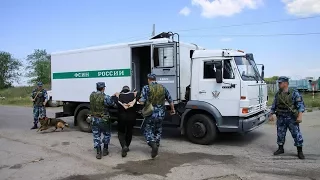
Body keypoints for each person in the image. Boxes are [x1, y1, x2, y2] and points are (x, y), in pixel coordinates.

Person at [138, 73, 175, 158]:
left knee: (147, 129)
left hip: (151, 113)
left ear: (148, 79)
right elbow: (170, 99)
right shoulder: (162, 87)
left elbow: (142, 101)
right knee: (158, 129)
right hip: (161, 113)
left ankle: (153, 144)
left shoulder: (146, 88)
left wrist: (140, 100)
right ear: (155, 79)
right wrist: (173, 109)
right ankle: (156, 146)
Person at [269, 76, 305, 159]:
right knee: (280, 134)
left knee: (296, 134)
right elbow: (274, 105)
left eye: (280, 83)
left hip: (291, 117)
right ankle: (280, 148)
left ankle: (300, 151)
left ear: (285, 83)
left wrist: (300, 116)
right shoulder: (278, 94)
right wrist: (271, 114)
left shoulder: (294, 93)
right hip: (281, 117)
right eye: (279, 83)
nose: (279, 84)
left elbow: (300, 105)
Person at [89, 82, 117, 159]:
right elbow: (112, 104)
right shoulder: (105, 97)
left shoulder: (92, 95)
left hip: (94, 118)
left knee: (96, 135)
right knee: (107, 134)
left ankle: (98, 152)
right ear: (103, 88)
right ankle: (105, 149)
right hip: (104, 119)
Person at [115, 85, 138, 157]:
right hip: (132, 118)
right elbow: (139, 95)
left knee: (121, 133)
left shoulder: (119, 96)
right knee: (129, 132)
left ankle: (124, 146)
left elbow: (112, 100)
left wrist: (116, 95)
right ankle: (127, 146)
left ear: (122, 90)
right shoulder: (133, 95)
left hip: (122, 118)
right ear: (128, 90)